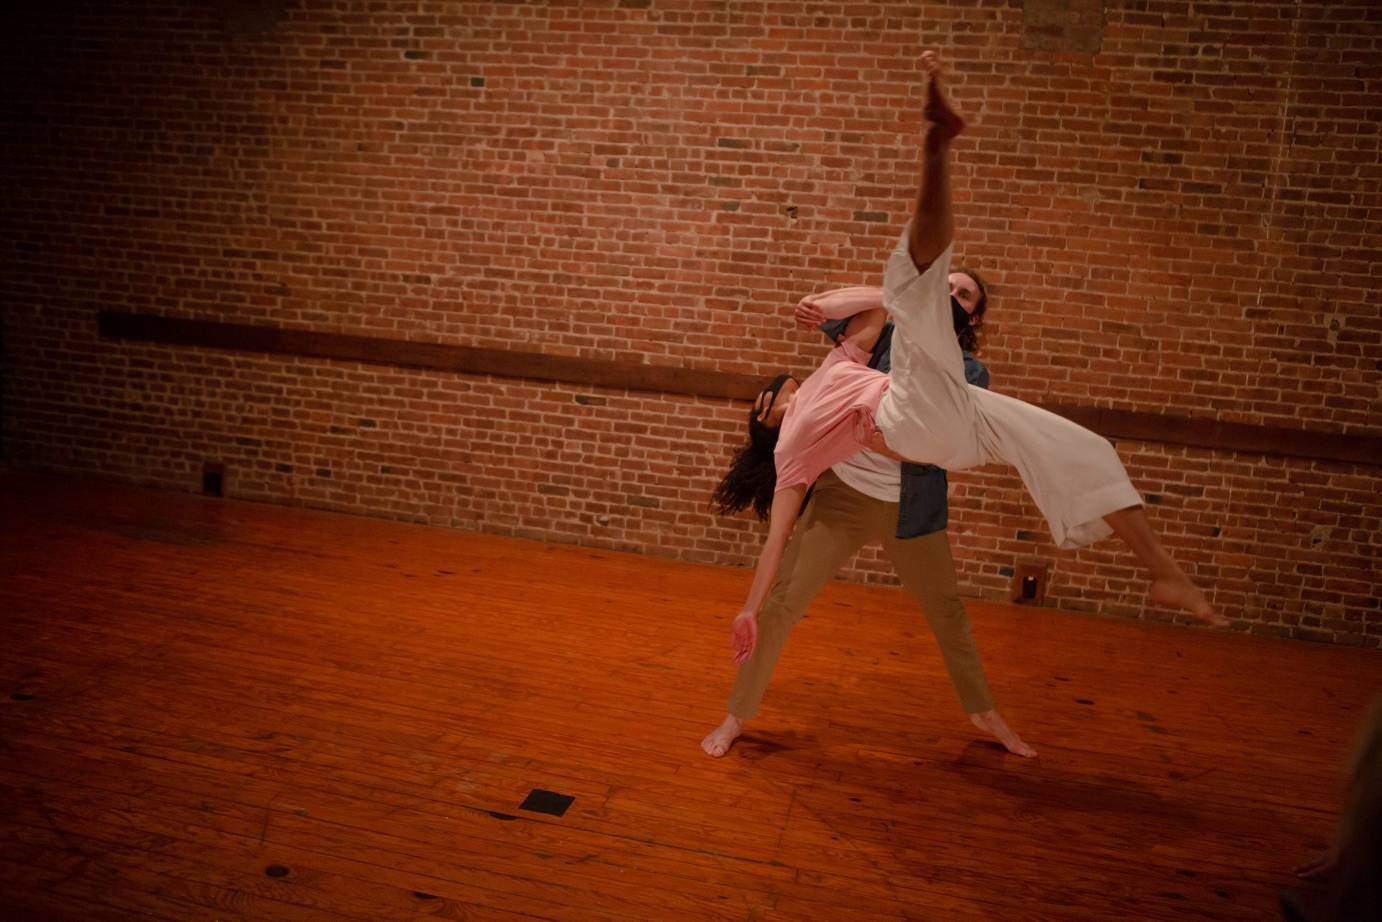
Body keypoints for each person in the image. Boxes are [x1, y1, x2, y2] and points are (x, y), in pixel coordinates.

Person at [711, 50, 1226, 681]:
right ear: (771, 417)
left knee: (1082, 446)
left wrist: (895, 298)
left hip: (956, 410)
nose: (787, 385)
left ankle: (1164, 573)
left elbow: (835, 306)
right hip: (908, 419)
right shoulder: (793, 454)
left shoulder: (841, 362)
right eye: (779, 392)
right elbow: (775, 544)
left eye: (964, 295)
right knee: (914, 287)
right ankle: (937, 145)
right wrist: (750, 608)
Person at [701, 269, 1035, 759]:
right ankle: (736, 715)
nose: (950, 295)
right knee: (782, 605)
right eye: (944, 285)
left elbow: (941, 449)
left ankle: (983, 711)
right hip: (845, 498)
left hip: (912, 510)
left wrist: (880, 440)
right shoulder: (875, 343)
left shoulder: (970, 373)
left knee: (948, 613)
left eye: (962, 294)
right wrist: (747, 608)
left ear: (974, 314)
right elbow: (833, 309)